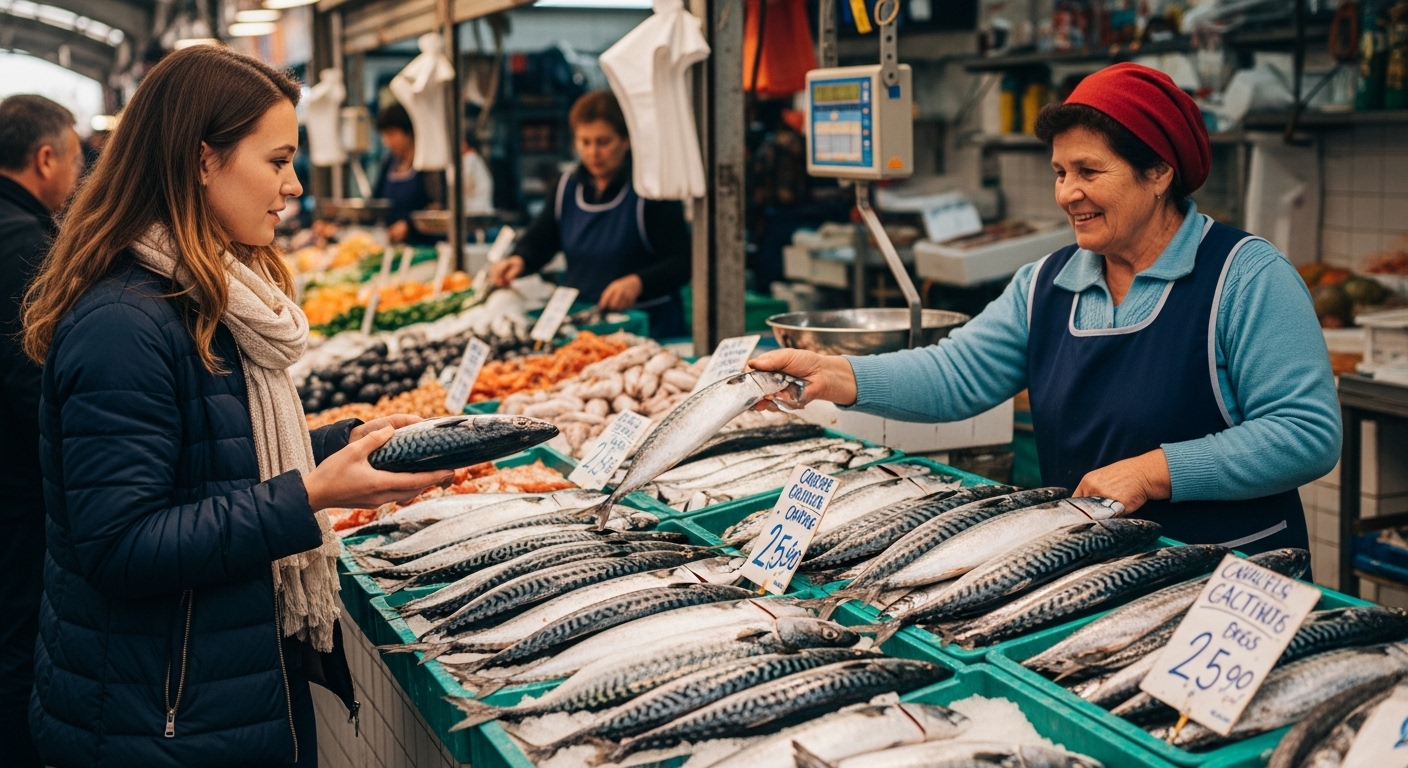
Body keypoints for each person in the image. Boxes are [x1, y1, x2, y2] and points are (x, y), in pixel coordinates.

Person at [21, 46, 449, 767]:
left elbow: (208, 464)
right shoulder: (125, 323)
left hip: (211, 697)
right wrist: (309, 492)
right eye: (278, 161)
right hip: (154, 722)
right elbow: (120, 545)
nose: (294, 186)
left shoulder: (206, 295)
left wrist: (339, 444)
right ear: (201, 161)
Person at [752, 63, 1340, 555]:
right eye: (1060, 172)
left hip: (1224, 581)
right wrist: (835, 374)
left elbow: (1305, 433)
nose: (1066, 194)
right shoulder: (1047, 284)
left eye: (1089, 171)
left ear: (1159, 171)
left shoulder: (1243, 276)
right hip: (1089, 569)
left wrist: (1153, 471)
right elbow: (956, 375)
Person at [0, 93, 83, 768]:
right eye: (76, 154)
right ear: (45, 156)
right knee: (19, 640)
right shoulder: (24, 243)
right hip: (19, 488)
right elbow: (33, 378)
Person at [490, 89, 691, 338]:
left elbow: (682, 262)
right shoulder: (567, 186)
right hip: (586, 324)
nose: (593, 153)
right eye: (585, 142)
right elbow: (541, 239)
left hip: (649, 328)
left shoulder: (650, 190)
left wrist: (638, 282)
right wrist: (520, 259)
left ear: (626, 140)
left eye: (603, 142)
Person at [372, 101, 443, 245]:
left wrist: (409, 226)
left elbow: (438, 207)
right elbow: (375, 203)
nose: (387, 142)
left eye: (391, 134)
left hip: (425, 246)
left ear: (409, 132)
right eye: (384, 135)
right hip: (394, 247)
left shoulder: (429, 164)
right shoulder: (389, 163)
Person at [462, 130, 494, 215]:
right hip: (481, 208)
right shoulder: (475, 159)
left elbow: (463, 184)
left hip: (475, 209)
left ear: (464, 144)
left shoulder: (470, 159)